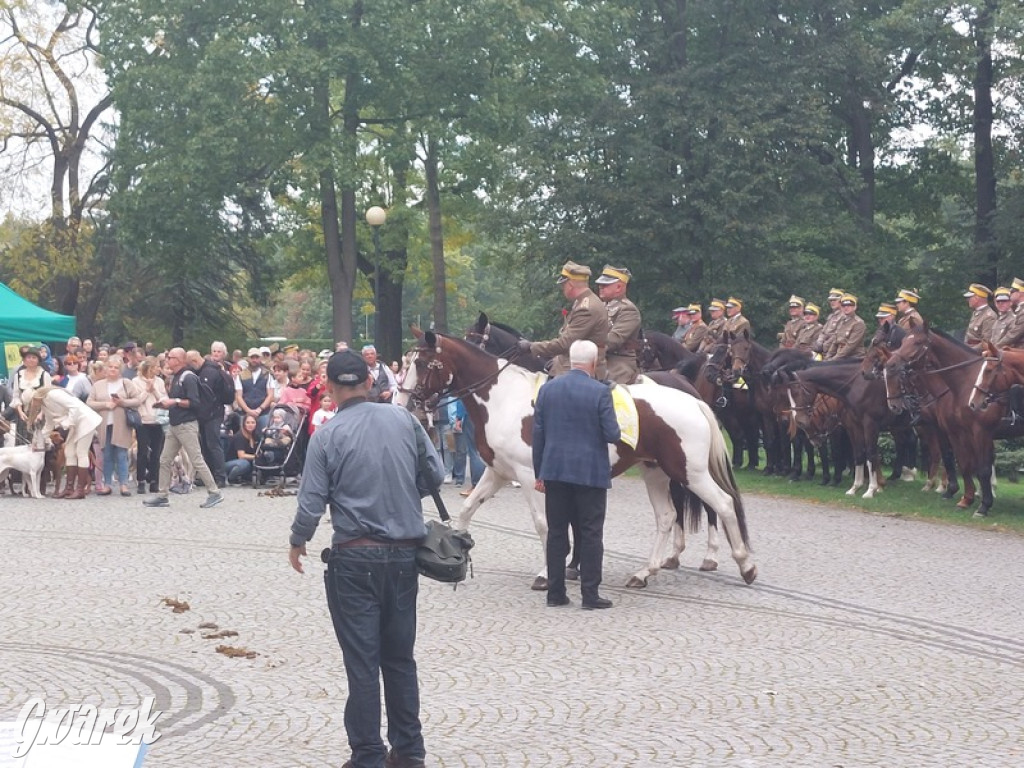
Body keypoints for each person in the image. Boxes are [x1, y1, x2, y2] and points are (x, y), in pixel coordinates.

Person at [288, 349, 443, 768]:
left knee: (362, 662)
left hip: (354, 558)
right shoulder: (404, 420)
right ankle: (409, 751)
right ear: (370, 383)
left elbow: (311, 503)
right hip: (404, 557)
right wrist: (402, 494)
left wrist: (298, 541)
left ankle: (368, 754)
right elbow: (436, 473)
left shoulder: (327, 436)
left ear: (333, 389)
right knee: (399, 658)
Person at [532, 339, 621, 610]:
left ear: (570, 360)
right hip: (590, 473)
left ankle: (555, 593)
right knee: (591, 533)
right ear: (594, 364)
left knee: (557, 533)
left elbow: (538, 436)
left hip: (555, 472)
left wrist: (540, 474)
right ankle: (590, 595)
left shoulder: (547, 389)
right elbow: (613, 434)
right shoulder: (600, 392)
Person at [143, 348, 223, 509]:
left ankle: (214, 492)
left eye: (170, 357)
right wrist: (167, 404)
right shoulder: (177, 377)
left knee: (196, 459)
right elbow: (179, 402)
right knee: (164, 460)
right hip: (175, 424)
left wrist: (175, 402)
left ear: (179, 360)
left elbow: (194, 402)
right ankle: (162, 495)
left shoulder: (188, 378)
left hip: (187, 425)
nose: (167, 360)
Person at [520, 260, 610, 378]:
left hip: (581, 370)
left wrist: (532, 347)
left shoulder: (587, 308)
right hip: (570, 363)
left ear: (570, 285)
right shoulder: (582, 302)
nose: (563, 289)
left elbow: (565, 344)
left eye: (563, 285)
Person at [26, 385, 102, 500]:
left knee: (81, 452)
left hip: (85, 420)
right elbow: (49, 424)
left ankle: (80, 489)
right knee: (69, 452)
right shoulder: (44, 403)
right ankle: (69, 488)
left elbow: (74, 407)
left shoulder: (53, 394)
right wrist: (38, 439)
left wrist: (67, 422)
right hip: (75, 424)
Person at [88, 359, 144, 497]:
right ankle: (107, 484)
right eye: (110, 367)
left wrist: (122, 402)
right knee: (106, 454)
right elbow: (89, 402)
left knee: (121, 453)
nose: (113, 369)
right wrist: (106, 405)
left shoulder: (126, 383)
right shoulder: (98, 385)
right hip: (104, 424)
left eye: (116, 367)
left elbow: (137, 400)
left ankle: (124, 484)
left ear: (120, 370)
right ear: (106, 369)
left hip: (122, 424)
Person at [595, 264, 641, 384]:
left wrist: (587, 346)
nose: (600, 287)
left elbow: (614, 339)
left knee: (609, 389)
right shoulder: (600, 307)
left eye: (605, 285)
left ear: (619, 287)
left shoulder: (628, 310)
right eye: (600, 284)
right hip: (599, 358)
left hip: (619, 361)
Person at [135, 358, 167, 494]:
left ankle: (154, 479)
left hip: (157, 419)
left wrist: (154, 390)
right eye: (155, 367)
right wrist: (147, 390)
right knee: (142, 451)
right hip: (143, 420)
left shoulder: (159, 381)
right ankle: (141, 479)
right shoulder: (135, 382)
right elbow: (137, 401)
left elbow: (164, 399)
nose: (158, 369)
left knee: (156, 452)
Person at [235, 347, 274, 429]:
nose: (254, 360)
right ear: (248, 359)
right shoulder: (241, 375)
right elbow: (238, 396)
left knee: (263, 436)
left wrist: (260, 409)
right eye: (252, 357)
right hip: (245, 413)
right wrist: (248, 410)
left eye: (256, 357)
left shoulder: (267, 374)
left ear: (260, 359)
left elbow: (270, 395)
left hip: (263, 413)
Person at [824, 293, 866, 359]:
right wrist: (828, 356)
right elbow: (835, 341)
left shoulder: (858, 323)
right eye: (843, 305)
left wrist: (834, 359)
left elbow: (850, 346)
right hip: (841, 357)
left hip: (854, 358)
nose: (846, 307)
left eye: (849, 305)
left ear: (855, 307)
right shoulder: (842, 321)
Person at [226, 413, 259, 484]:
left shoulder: (255, 436)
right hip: (232, 463)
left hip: (247, 461)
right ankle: (231, 478)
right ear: (244, 424)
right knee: (244, 463)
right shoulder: (239, 436)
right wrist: (256, 457)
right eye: (248, 423)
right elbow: (241, 456)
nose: (250, 425)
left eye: (253, 422)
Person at [812, 288, 845, 358]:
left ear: (841, 301)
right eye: (831, 300)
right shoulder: (831, 316)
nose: (832, 302)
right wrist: (819, 342)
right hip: (823, 350)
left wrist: (824, 346)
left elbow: (837, 335)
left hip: (834, 352)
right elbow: (823, 332)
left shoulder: (844, 316)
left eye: (835, 300)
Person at [964, 283, 997, 348]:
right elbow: (969, 334)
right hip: (969, 349)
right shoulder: (976, 313)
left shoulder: (989, 316)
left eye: (970, 298)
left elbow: (986, 342)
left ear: (977, 298)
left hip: (978, 353)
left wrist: (970, 351)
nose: (968, 300)